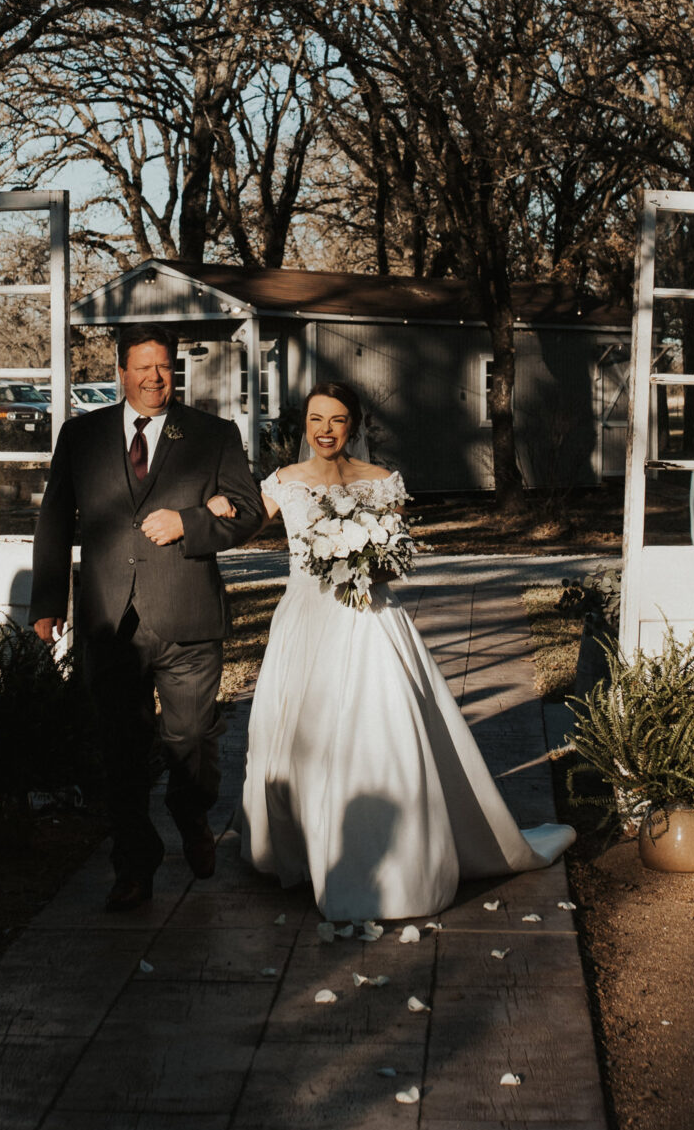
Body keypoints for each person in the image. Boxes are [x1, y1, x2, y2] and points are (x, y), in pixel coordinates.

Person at [239, 381, 574, 920]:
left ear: (355, 425)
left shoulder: (382, 482)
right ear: (303, 424)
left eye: (338, 419)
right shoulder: (281, 483)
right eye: (316, 419)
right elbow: (239, 522)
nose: (325, 430)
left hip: (372, 617)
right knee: (303, 731)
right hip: (305, 619)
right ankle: (305, 847)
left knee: (381, 727)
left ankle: (387, 861)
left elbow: (397, 556)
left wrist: (371, 558)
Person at [30, 327, 263, 909]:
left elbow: (250, 511)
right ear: (121, 372)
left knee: (189, 740)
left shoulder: (211, 436)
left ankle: (191, 815)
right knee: (119, 749)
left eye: (163, 367)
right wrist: (46, 602)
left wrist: (190, 522)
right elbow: (55, 520)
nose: (154, 378)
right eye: (142, 368)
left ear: (174, 370)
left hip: (187, 617)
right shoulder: (80, 436)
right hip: (109, 622)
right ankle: (135, 862)